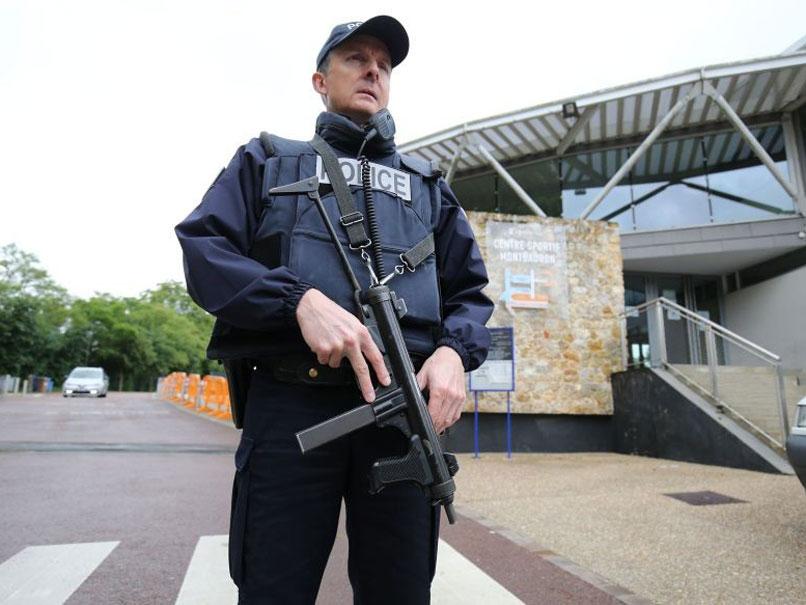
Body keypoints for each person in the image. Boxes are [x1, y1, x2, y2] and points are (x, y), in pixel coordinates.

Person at [175, 15, 493, 604]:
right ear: (320, 80)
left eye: (385, 65)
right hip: (292, 408)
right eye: (356, 59)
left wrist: (453, 354)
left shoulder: (427, 186)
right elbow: (204, 249)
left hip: (403, 417)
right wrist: (297, 301)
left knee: (399, 591)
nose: (374, 71)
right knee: (273, 588)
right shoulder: (268, 160)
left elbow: (470, 293)